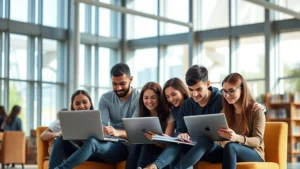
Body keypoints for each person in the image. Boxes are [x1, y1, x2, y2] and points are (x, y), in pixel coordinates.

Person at [144, 65, 266, 169]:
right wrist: (181, 135)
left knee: (222, 144)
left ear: (208, 84)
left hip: (231, 148)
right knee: (179, 142)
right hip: (208, 147)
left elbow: (255, 133)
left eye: (198, 89)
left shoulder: (222, 101)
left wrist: (264, 108)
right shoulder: (225, 108)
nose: (194, 94)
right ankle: (155, 166)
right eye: (191, 90)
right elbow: (181, 130)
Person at [54, 63, 140, 169]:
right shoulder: (105, 98)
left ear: (131, 79)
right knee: (60, 139)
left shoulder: (139, 99)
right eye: (114, 84)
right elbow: (101, 126)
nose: (118, 88)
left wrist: (117, 132)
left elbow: (135, 133)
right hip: (103, 146)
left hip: (124, 147)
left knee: (93, 143)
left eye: (122, 83)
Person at [40, 90, 96, 169]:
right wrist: (56, 134)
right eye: (77, 103)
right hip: (74, 153)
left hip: (92, 153)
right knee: (59, 139)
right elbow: (43, 136)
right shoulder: (65, 120)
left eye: (85, 102)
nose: (82, 106)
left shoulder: (97, 119)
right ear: (73, 106)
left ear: (90, 103)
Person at [125, 82, 175, 169]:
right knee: (138, 144)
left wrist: (156, 138)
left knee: (147, 145)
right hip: (142, 149)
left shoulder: (169, 115)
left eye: (153, 98)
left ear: (159, 98)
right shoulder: (141, 114)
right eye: (146, 98)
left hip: (161, 151)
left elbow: (168, 144)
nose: (149, 101)